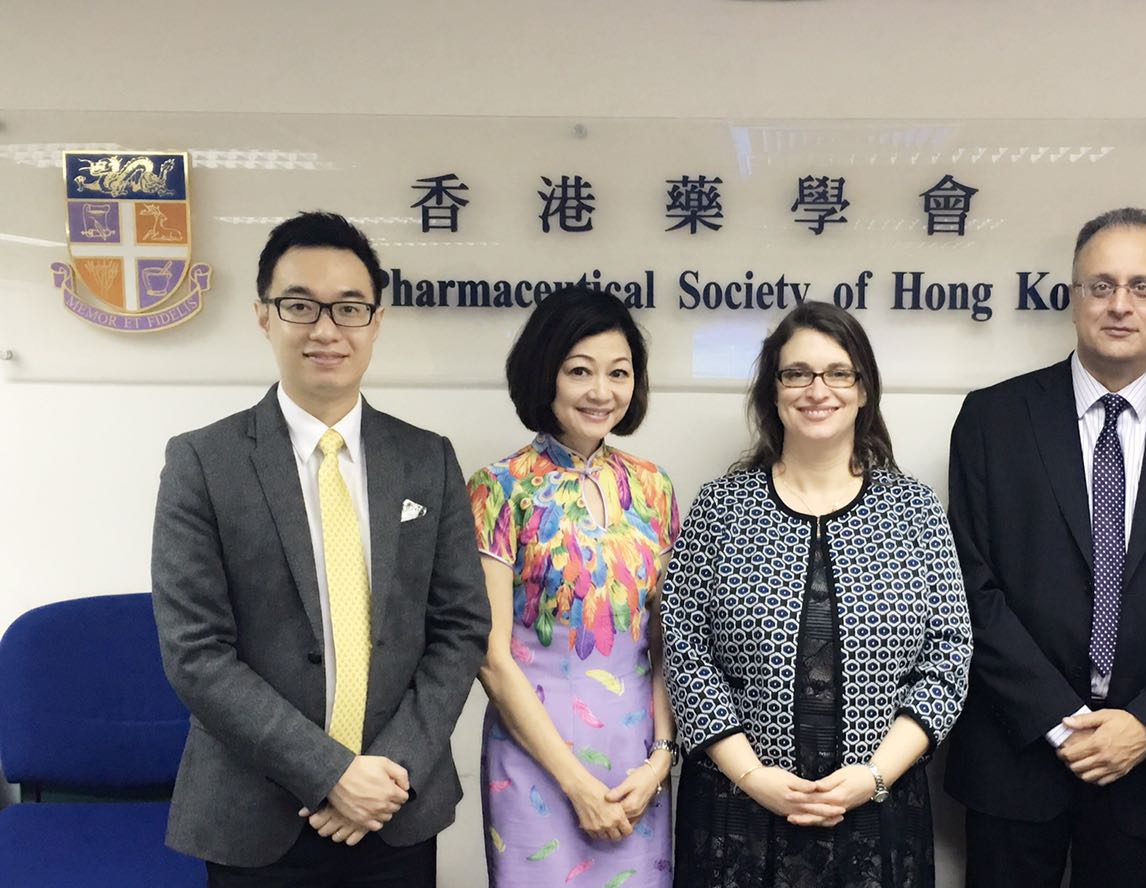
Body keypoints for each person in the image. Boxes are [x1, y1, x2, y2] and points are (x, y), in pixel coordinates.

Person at [150, 211, 491, 886]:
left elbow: (460, 627)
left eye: (349, 308)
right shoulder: (203, 462)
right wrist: (331, 773)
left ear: (376, 321)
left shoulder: (427, 459)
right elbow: (195, 651)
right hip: (255, 814)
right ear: (263, 316)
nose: (326, 329)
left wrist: (388, 772)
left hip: (395, 806)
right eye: (300, 305)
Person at [943, 207, 1146, 888]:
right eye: (1102, 285)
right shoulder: (993, 419)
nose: (1121, 304)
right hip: (1014, 755)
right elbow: (969, 586)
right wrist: (1058, 720)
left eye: (1142, 287)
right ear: (1073, 295)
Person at [662, 301, 972, 888]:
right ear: (774, 391)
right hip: (739, 812)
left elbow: (949, 657)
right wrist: (753, 776)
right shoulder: (721, 507)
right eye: (797, 373)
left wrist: (874, 776)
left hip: (877, 812)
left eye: (838, 373)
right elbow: (685, 649)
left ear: (863, 389)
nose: (817, 390)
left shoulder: (915, 511)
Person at [469, 286, 678, 887]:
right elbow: (491, 657)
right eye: (579, 371)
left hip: (638, 763)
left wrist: (662, 758)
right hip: (536, 760)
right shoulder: (498, 487)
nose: (601, 392)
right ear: (545, 374)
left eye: (619, 373)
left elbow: (669, 641)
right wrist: (576, 784)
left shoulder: (653, 486)